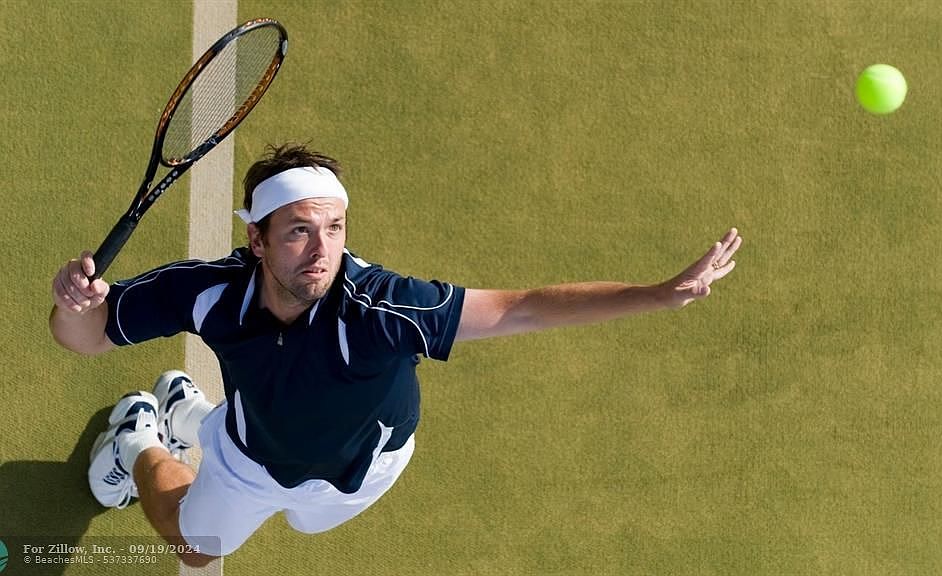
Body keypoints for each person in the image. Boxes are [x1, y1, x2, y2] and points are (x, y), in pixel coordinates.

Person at [50, 143, 742, 567]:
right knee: (196, 547)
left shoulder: (383, 308)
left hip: (364, 471)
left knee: (307, 522)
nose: (322, 249)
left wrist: (657, 295)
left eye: (334, 228)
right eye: (298, 231)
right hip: (253, 458)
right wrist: (76, 305)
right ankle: (138, 437)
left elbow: (524, 306)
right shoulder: (207, 293)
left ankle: (187, 410)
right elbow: (83, 337)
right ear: (256, 240)